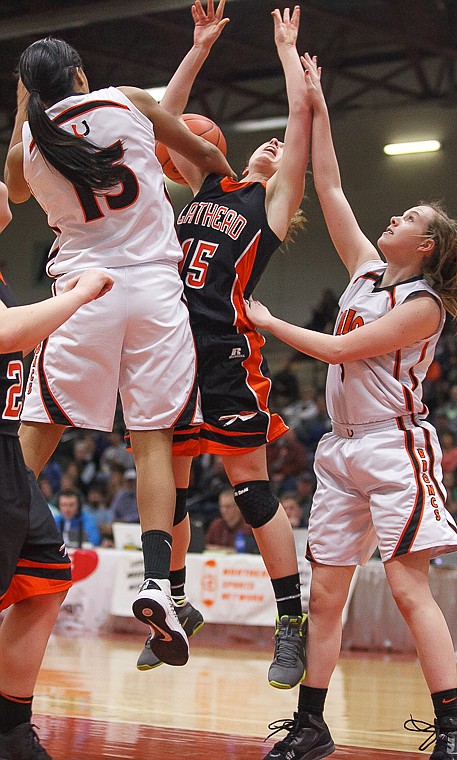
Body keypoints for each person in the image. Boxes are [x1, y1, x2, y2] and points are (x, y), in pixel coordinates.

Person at [244, 53, 457, 760]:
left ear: (427, 246)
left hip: (393, 446)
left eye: (409, 216)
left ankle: (454, 726)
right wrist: (316, 100)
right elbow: (327, 183)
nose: (394, 214)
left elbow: (338, 352)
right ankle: (312, 723)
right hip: (342, 449)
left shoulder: (423, 305)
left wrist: (268, 322)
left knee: (409, 588)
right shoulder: (363, 272)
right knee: (327, 595)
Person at [4, 35, 234, 669]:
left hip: (84, 293)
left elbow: (15, 194)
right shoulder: (128, 101)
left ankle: (2, 550)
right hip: (158, 291)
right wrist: (207, 183)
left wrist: (24, 107)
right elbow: (207, 156)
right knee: (153, 440)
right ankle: (159, 583)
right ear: (81, 73)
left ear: (30, 90)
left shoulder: (30, 147)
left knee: (38, 431)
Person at [137, 1, 311, 689]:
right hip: (169, 352)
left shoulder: (269, 205)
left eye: (276, 149)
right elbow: (162, 117)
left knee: (254, 491)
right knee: (171, 496)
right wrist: (200, 46)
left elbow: (300, 128)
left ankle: (290, 622)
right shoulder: (209, 182)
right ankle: (177, 606)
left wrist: (289, 54)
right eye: (260, 141)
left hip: (225, 353)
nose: (269, 145)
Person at [0, 182, 115, 760]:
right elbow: (6, 334)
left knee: (45, 578)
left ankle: (11, 729)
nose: (4, 186)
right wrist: (81, 293)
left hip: (7, 462)